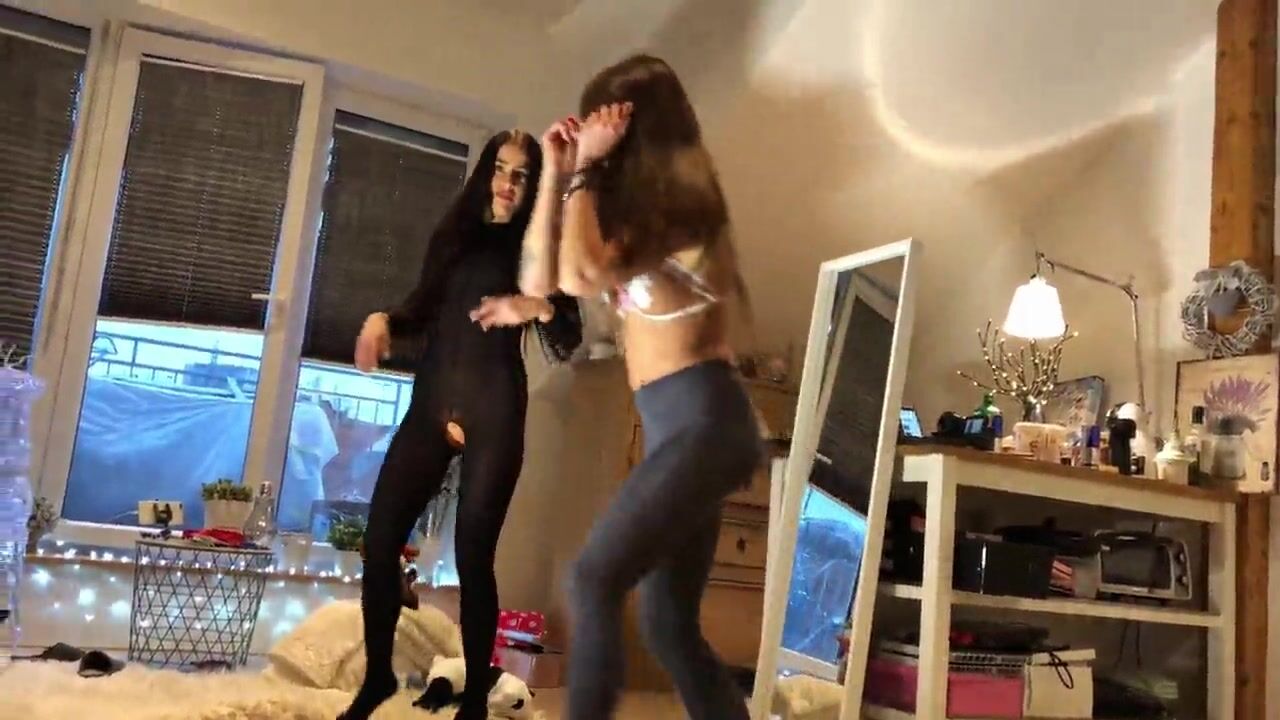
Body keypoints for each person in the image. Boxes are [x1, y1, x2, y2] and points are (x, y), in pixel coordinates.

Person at [520, 55, 759, 720]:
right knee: (667, 623)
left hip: (706, 421)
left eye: (607, 126)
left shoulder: (687, 207)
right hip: (678, 427)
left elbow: (581, 274)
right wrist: (558, 172)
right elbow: (542, 281)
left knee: (593, 579)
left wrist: (587, 170)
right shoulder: (634, 217)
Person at [339, 130, 583, 720]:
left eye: (521, 175)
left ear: (532, 187)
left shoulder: (535, 247)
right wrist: (383, 320)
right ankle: (377, 680)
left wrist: (536, 305)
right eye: (500, 169)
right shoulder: (454, 233)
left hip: (493, 411)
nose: (507, 183)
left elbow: (568, 336)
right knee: (380, 542)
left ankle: (474, 703)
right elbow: (421, 308)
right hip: (430, 405)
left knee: (474, 558)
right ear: (484, 173)